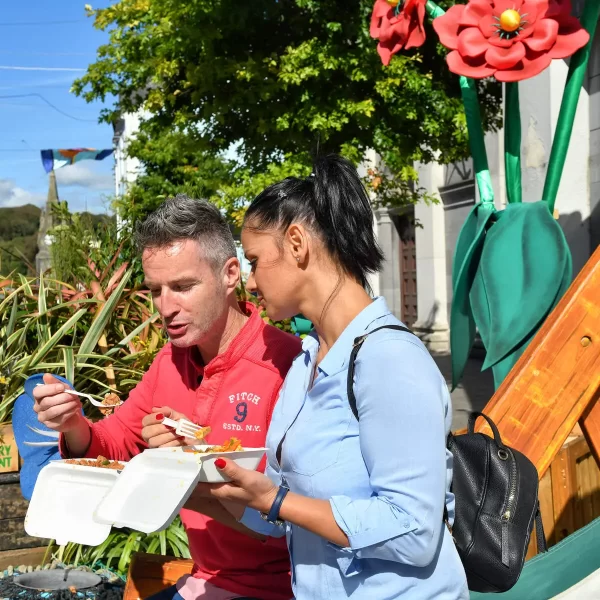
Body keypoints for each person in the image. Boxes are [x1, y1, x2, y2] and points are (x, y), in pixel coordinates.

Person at [194, 155, 469, 599]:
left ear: (298, 244)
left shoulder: (389, 360)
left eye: (255, 260)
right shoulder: (306, 360)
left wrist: (276, 501)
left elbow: (415, 533)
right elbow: (287, 509)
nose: (249, 280)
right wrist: (197, 487)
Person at [32, 195, 300, 600]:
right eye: (156, 290)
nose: (165, 307)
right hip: (205, 580)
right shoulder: (170, 361)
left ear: (230, 275)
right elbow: (115, 443)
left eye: (183, 287)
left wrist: (189, 463)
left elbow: (302, 515)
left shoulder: (285, 364)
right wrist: (73, 424)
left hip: (283, 588)